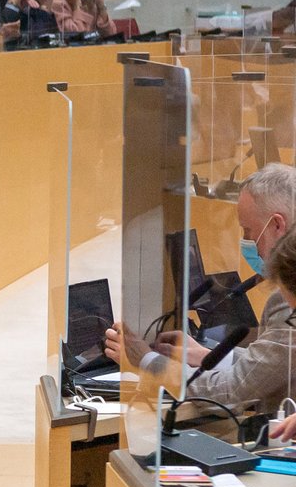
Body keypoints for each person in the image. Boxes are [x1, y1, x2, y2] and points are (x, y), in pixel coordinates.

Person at [109, 164, 296, 420]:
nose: (246, 241)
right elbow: (274, 365)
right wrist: (208, 356)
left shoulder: (289, 301)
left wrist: (146, 361)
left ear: (276, 225)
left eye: (248, 231)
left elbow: (231, 393)